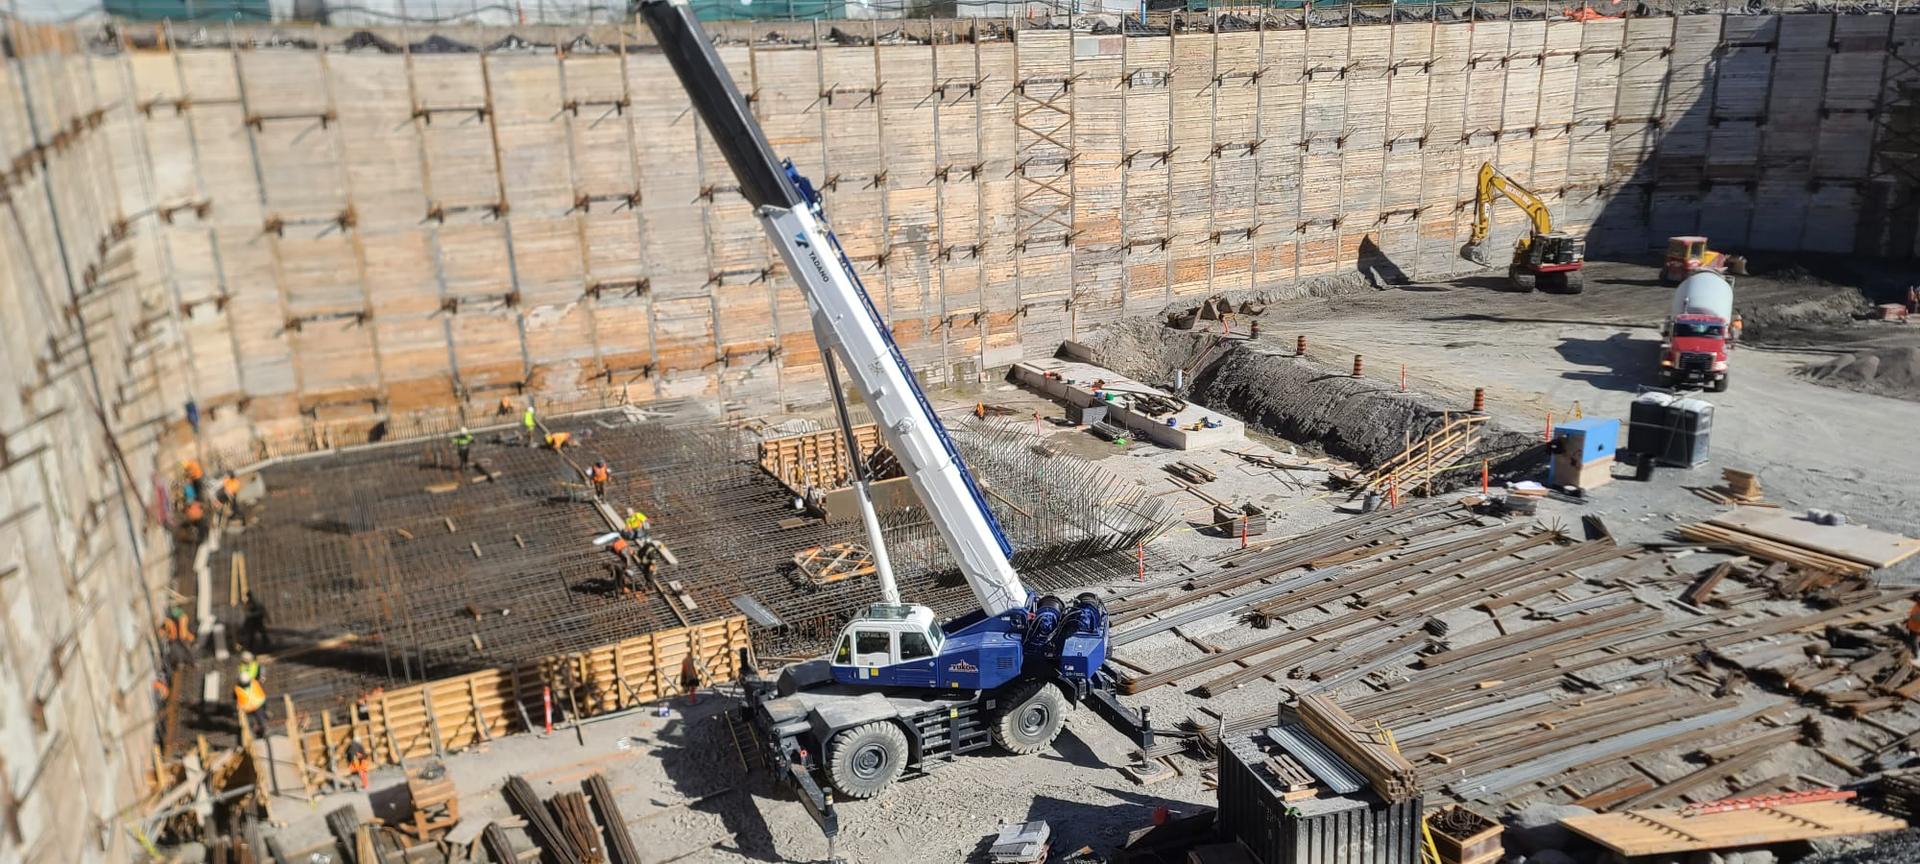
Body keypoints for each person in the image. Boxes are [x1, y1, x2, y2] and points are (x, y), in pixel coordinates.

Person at [234, 669, 268, 740]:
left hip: (248, 708)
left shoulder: (237, 688)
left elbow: (234, 697)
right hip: (256, 705)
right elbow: (261, 693)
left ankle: (257, 730)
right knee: (260, 719)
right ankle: (263, 731)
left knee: (252, 722)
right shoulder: (254, 682)